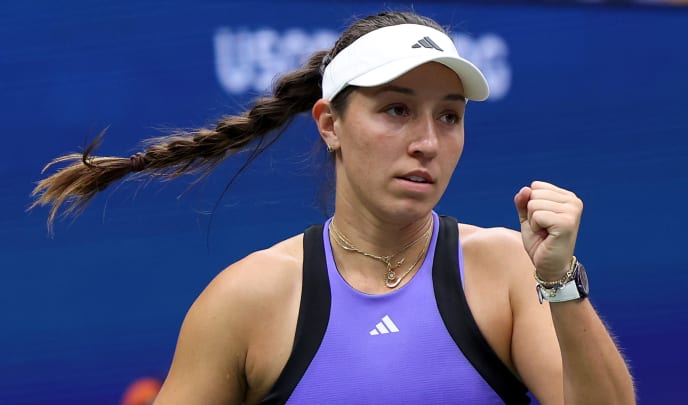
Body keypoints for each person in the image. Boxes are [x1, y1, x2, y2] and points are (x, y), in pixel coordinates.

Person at [32, 11, 635, 405]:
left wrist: (558, 281)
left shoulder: (510, 270)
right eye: (397, 110)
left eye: (449, 115)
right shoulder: (248, 298)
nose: (427, 140)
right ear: (330, 125)